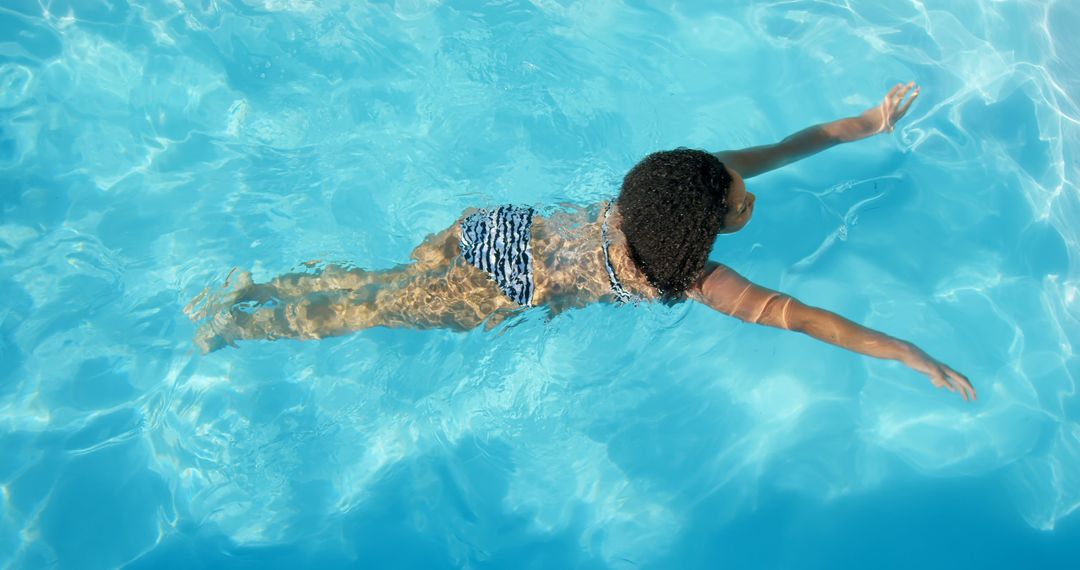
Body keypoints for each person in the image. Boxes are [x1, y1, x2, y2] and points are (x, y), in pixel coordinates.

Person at [187, 82, 976, 402]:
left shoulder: (687, 180)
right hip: (506, 287)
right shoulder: (701, 278)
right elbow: (803, 318)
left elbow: (790, 144)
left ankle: (260, 288)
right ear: (708, 232)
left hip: (498, 227)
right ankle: (239, 323)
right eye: (739, 203)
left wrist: (866, 125)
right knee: (372, 312)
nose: (748, 192)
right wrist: (905, 351)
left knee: (385, 280)